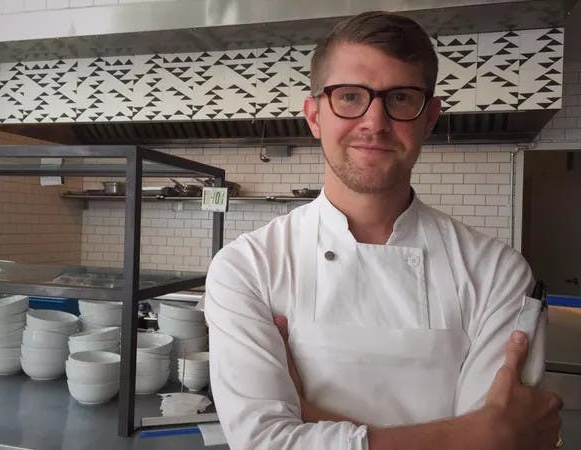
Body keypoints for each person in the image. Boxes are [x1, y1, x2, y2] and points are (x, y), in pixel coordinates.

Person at [204, 11, 563, 450]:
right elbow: (262, 443)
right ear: (314, 116)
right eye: (350, 96)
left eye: (400, 98)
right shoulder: (247, 267)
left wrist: (309, 418)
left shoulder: (497, 272)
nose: (374, 122)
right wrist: (472, 435)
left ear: (429, 118)